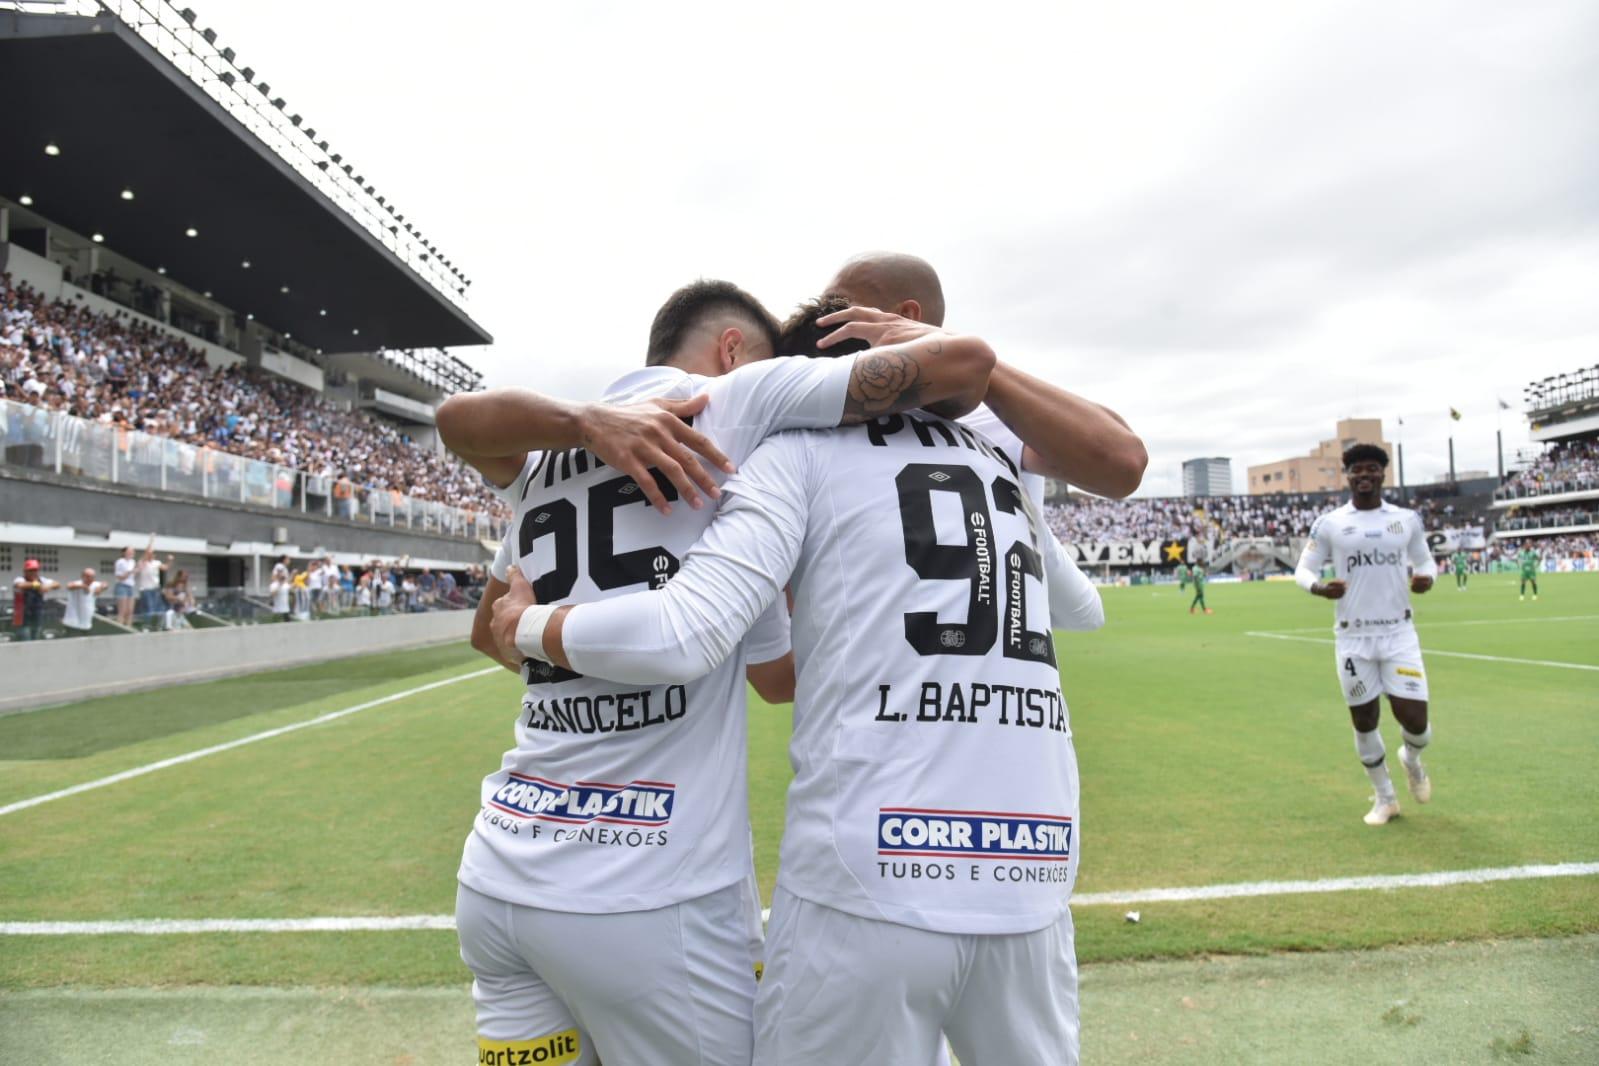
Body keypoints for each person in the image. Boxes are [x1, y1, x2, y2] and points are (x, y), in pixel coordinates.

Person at [499, 299, 1105, 1066]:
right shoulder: (996, 465)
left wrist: (524, 628)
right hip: (1031, 869)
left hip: (865, 873)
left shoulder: (793, 454)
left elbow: (684, 629)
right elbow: (1082, 609)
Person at [823, 251, 1146, 500]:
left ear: (906, 316)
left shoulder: (991, 415)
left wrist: (968, 364)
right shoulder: (820, 400)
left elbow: (1122, 464)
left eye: (837, 307)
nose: (823, 320)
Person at [1294, 444, 1437, 827]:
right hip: (1353, 639)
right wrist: (1319, 588)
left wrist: (1427, 579)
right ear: (1348, 475)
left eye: (1372, 468)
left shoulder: (1406, 520)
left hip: (1398, 634)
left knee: (1417, 725)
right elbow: (1303, 570)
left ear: (1382, 474)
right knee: (1364, 720)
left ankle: (1411, 759)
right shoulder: (1330, 523)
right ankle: (1385, 798)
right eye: (1357, 469)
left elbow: (1425, 561)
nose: (1364, 475)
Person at [12, 559, 61, 641]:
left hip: (37, 615)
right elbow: (20, 586)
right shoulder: (20, 579)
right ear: (25, 571)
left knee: (36, 639)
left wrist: (48, 586)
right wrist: (38, 585)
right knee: (25, 639)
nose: (33, 572)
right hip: (22, 618)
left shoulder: (42, 579)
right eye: (31, 570)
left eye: (35, 570)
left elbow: (57, 584)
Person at [133, 536, 172, 626]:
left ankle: (157, 625)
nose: (151, 555)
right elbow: (146, 552)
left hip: (155, 589)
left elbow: (165, 568)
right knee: (149, 609)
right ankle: (147, 625)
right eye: (150, 553)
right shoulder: (142, 562)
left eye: (153, 553)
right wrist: (151, 541)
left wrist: (169, 561)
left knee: (158, 608)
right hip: (146, 590)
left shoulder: (156, 563)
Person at [63, 567, 108, 635]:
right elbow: (69, 586)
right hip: (71, 623)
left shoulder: (95, 584)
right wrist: (83, 586)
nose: (90, 579)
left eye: (92, 577)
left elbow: (105, 584)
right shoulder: (77, 583)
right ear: (82, 576)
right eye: (88, 576)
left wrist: (101, 588)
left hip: (86, 624)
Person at [113, 546, 137, 626]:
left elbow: (134, 574)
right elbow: (120, 577)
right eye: (129, 551)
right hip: (122, 586)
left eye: (132, 551)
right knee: (122, 611)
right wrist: (130, 572)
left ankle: (129, 627)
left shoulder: (133, 562)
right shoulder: (120, 562)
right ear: (124, 552)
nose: (132, 553)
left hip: (130, 586)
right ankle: (120, 627)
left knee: (130, 611)